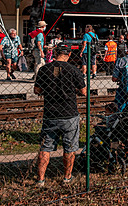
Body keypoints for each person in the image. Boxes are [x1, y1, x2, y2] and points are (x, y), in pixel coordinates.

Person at [35, 43, 86, 187]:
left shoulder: (44, 69)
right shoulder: (73, 70)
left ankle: (40, 179)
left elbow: (37, 90)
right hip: (69, 113)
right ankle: (67, 177)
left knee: (45, 148)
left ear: (55, 53)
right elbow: (83, 92)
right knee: (70, 148)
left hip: (50, 113)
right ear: (69, 54)